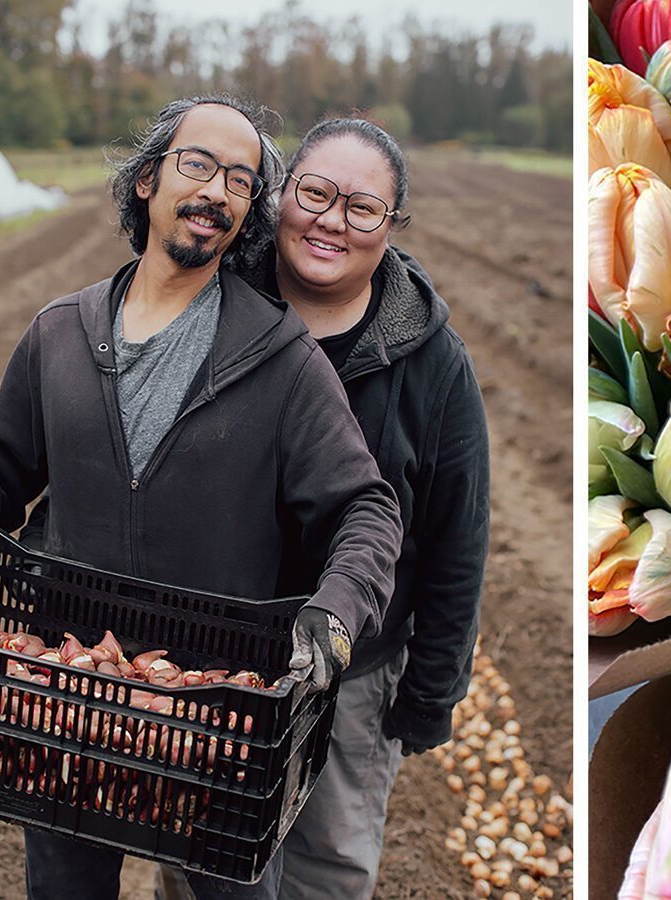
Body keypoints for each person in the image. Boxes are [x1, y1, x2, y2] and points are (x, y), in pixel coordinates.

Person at [0, 95, 404, 900]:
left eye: (241, 179)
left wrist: (337, 610)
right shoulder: (60, 333)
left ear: (248, 215)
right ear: (147, 180)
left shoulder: (281, 359)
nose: (217, 190)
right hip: (67, 704)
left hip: (214, 719)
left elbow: (365, 508)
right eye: (198, 164)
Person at [258, 117, 488, 899]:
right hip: (217, 655)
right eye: (314, 193)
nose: (330, 221)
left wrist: (433, 688)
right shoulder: (216, 309)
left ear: (390, 228)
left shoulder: (429, 362)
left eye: (362, 208)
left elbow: (459, 535)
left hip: (351, 675)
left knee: (326, 865)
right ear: (281, 195)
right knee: (206, 856)